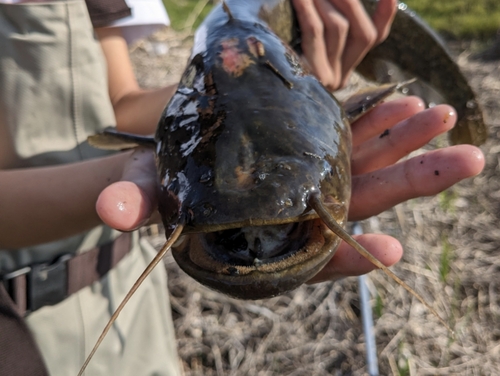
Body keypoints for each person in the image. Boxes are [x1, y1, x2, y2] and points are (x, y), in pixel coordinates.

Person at [0, 1, 485, 376]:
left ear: (339, 110)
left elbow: (122, 106)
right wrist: (125, 184)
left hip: (122, 314)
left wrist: (267, 89)